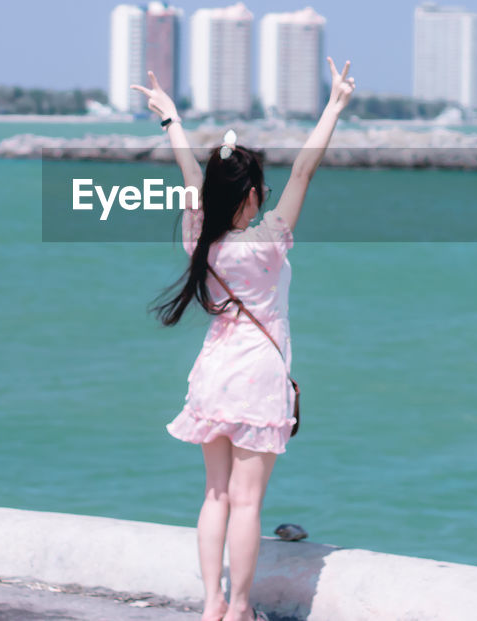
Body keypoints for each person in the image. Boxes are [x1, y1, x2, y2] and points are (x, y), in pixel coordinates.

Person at [130, 58, 357, 621]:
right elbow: (305, 171)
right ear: (254, 196)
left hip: (213, 372)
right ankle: (239, 608)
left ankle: (210, 606)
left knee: (216, 496)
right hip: (257, 377)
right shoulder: (267, 244)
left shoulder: (197, 238)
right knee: (249, 502)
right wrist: (333, 107)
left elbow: (190, 179)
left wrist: (172, 121)